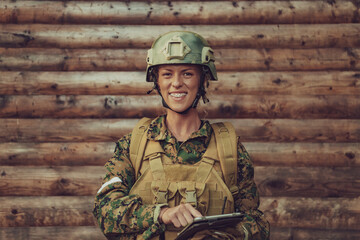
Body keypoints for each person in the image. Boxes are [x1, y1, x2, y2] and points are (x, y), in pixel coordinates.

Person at [93, 31, 270, 240]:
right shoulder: (134, 145)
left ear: (203, 80)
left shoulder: (228, 148)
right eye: (167, 74)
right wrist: (160, 214)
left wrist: (224, 237)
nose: (176, 83)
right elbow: (104, 209)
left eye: (187, 73)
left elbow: (256, 222)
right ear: (157, 82)